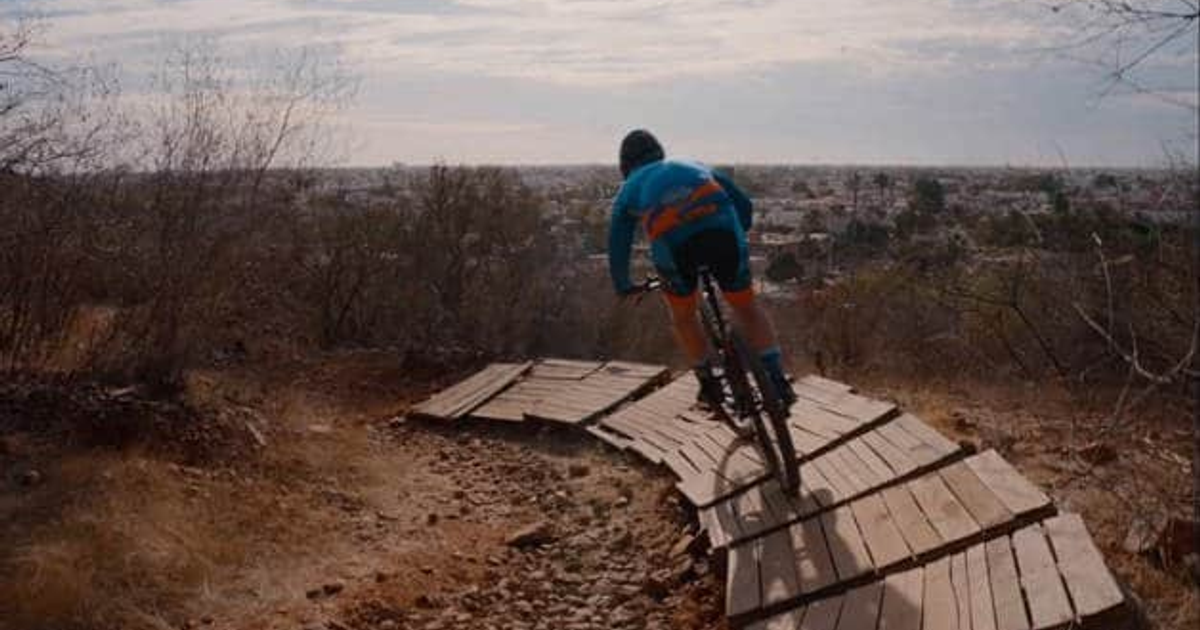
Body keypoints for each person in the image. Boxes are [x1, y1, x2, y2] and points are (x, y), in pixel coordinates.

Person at [607, 129, 796, 407]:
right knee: (746, 307)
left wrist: (622, 283)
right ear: (660, 153)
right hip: (723, 235)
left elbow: (618, 242)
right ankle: (778, 381)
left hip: (674, 248)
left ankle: (709, 384)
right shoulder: (692, 165)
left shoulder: (628, 189)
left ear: (625, 167)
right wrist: (737, 234)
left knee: (683, 315)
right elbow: (743, 204)